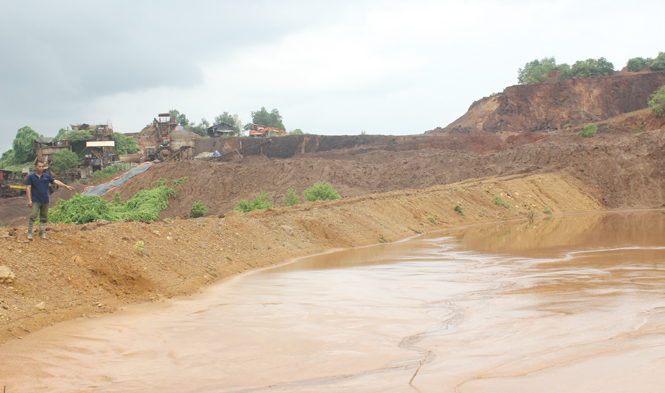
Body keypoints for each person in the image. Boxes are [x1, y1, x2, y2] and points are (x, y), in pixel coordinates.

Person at [25, 160, 75, 240]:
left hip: (45, 200)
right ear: (35, 167)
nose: (41, 168)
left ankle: (41, 233)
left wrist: (65, 186)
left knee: (44, 217)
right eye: (39, 166)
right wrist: (29, 200)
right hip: (36, 200)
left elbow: (55, 181)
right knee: (33, 215)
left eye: (42, 166)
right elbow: (28, 188)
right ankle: (29, 233)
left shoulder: (46, 176)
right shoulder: (31, 177)